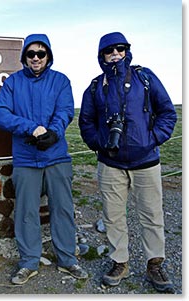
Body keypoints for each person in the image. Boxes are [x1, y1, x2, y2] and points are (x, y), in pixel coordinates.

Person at [78, 32, 177, 293]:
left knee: (152, 216)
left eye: (119, 48)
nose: (115, 54)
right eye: (108, 50)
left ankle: (154, 263)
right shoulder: (95, 86)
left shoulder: (145, 77)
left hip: (146, 161)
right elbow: (85, 122)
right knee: (113, 217)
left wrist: (152, 139)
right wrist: (99, 143)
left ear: (127, 50)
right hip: (110, 164)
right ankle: (119, 262)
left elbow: (167, 111)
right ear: (101, 55)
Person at [0, 33, 88, 285]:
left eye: (41, 53)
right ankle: (28, 263)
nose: (36, 58)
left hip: (56, 156)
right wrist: (31, 128)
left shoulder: (60, 81)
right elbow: (1, 115)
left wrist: (54, 132)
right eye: (31, 54)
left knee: (63, 210)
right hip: (26, 158)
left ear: (48, 56)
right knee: (26, 212)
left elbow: (65, 110)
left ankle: (68, 259)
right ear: (24, 57)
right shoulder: (13, 83)